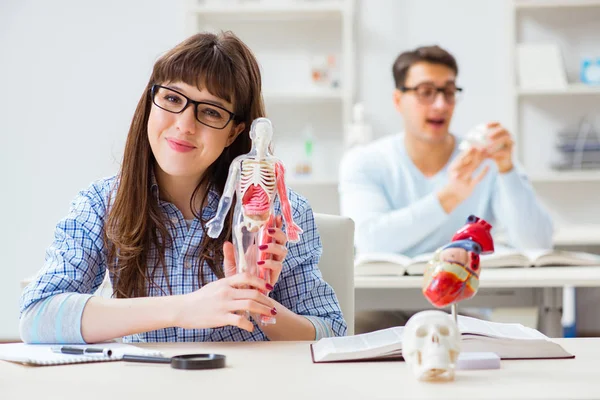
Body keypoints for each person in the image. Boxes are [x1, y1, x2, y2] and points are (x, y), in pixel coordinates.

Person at [20, 31, 346, 344]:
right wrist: (184, 309)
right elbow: (37, 316)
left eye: (210, 111)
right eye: (173, 98)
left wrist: (257, 305)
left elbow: (331, 332)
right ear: (151, 102)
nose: (184, 125)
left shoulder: (273, 213)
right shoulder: (102, 203)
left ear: (234, 133)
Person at [338, 45, 553, 333]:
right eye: (426, 91)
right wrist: (448, 197)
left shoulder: (483, 163)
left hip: (460, 309)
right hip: (379, 307)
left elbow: (537, 243)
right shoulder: (365, 162)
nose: (440, 104)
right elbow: (371, 241)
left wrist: (507, 169)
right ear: (398, 99)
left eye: (449, 92)